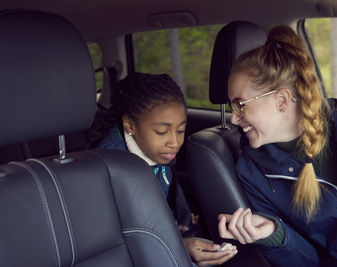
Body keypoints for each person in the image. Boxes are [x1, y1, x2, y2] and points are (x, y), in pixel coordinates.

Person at [217, 25, 337, 266]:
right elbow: (307, 261)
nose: (234, 118)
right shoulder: (252, 173)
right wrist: (275, 233)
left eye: (240, 105)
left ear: (282, 100)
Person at [88, 72, 237, 266]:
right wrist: (179, 245)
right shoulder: (108, 170)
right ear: (130, 125)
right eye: (161, 132)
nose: (175, 142)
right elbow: (117, 241)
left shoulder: (155, 151)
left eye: (181, 130)